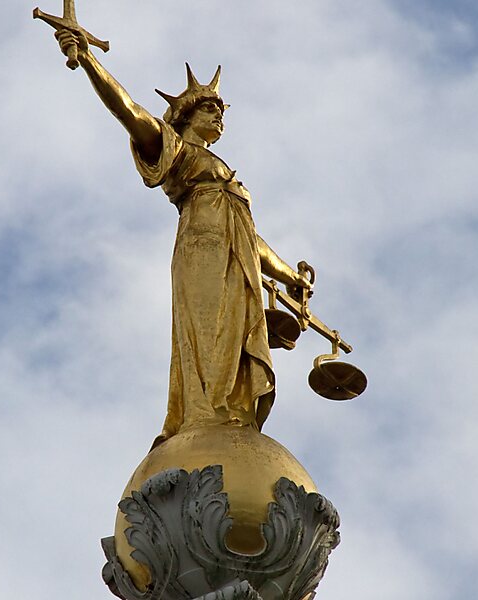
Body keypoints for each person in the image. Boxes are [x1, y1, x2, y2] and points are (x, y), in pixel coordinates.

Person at [55, 29, 312, 447]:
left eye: (221, 112)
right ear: (187, 117)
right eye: (210, 110)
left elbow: (251, 241)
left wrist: (289, 277)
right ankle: (201, 415)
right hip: (202, 250)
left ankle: (232, 411)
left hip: (236, 257)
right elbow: (128, 110)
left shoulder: (227, 180)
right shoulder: (177, 150)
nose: (219, 118)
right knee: (207, 335)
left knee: (233, 336)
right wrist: (88, 59)